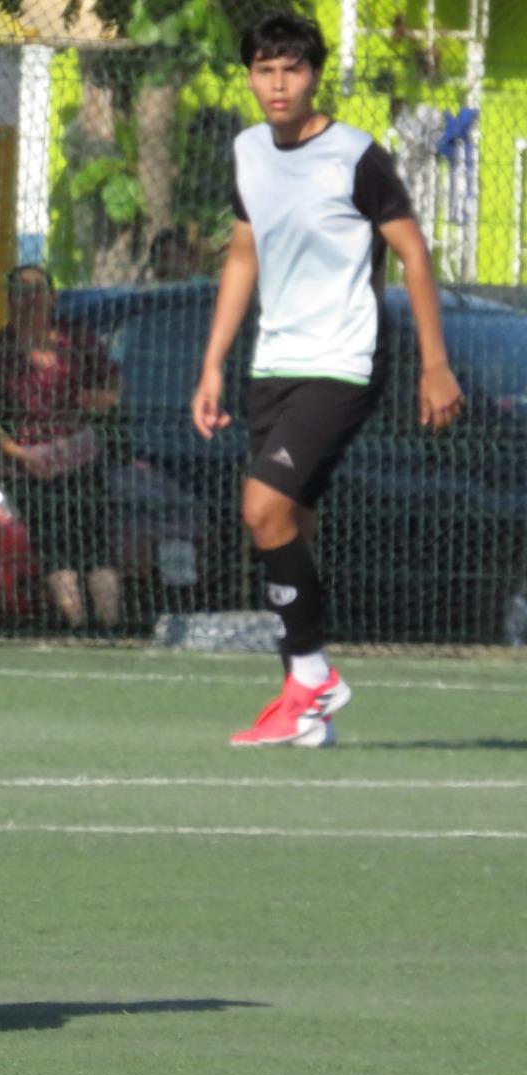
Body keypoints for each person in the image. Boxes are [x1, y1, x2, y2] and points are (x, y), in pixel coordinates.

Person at [192, 14, 464, 747]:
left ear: (314, 76)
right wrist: (214, 362)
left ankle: (312, 674)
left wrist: (435, 364)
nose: (277, 83)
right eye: (263, 69)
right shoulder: (249, 151)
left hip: (343, 363)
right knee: (290, 527)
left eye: (291, 69)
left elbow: (413, 253)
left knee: (261, 508)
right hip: (272, 366)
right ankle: (307, 708)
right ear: (249, 75)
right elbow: (243, 254)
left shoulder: (356, 156)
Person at [0, 264, 123, 631]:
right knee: (53, 548)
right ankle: (79, 627)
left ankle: (111, 629)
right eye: (19, 292)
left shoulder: (76, 342)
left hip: (78, 458)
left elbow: (113, 390)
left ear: (52, 297)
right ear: (9, 301)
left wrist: (97, 400)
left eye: (37, 291)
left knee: (96, 547)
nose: (29, 300)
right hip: (26, 464)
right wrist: (17, 452)